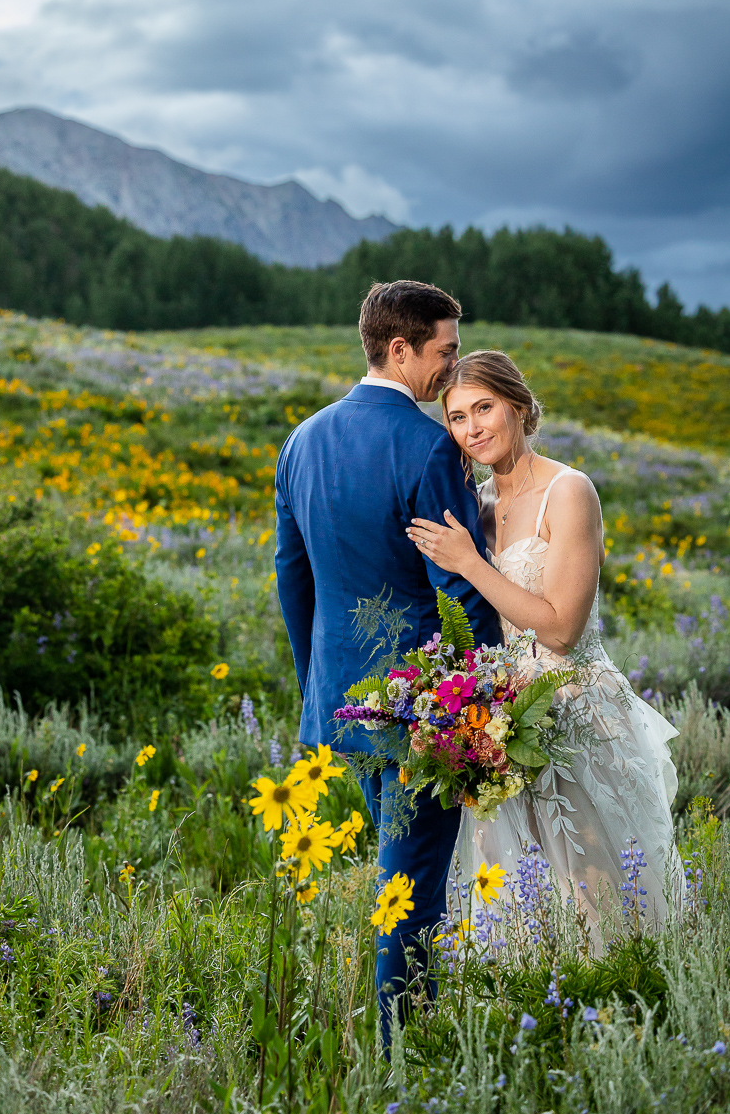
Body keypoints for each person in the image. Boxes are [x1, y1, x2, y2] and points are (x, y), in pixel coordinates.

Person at [274, 281, 501, 1047]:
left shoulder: (300, 440)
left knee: (403, 874)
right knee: (408, 887)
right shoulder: (427, 444)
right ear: (399, 348)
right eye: (444, 350)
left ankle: (410, 1032)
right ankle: (402, 1051)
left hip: (344, 705)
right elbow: (459, 590)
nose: (452, 366)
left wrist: (320, 690)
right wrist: (484, 703)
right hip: (423, 716)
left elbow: (291, 578)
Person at [406, 350, 683, 932]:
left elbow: (561, 627)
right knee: (522, 905)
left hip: (577, 714)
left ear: (520, 406)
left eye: (485, 408)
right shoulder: (475, 507)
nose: (473, 427)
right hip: (505, 728)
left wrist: (471, 564)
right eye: (457, 418)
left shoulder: (570, 491)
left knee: (606, 900)